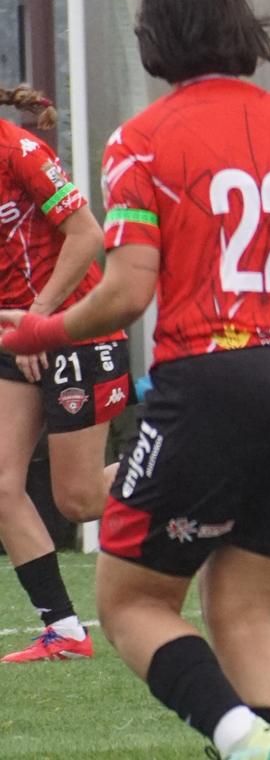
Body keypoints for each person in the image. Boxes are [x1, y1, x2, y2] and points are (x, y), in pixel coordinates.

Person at [0, 0, 270, 760]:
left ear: (154, 42)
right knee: (244, 612)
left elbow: (127, 289)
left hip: (215, 379)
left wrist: (43, 330)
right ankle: (261, 743)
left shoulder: (142, 140)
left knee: (132, 603)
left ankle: (236, 733)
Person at [0, 86, 132, 663]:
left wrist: (40, 318)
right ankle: (64, 630)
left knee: (78, 501)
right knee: (1, 485)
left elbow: (89, 235)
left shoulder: (20, 152)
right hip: (14, 336)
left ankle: (201, 464)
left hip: (75, 331)